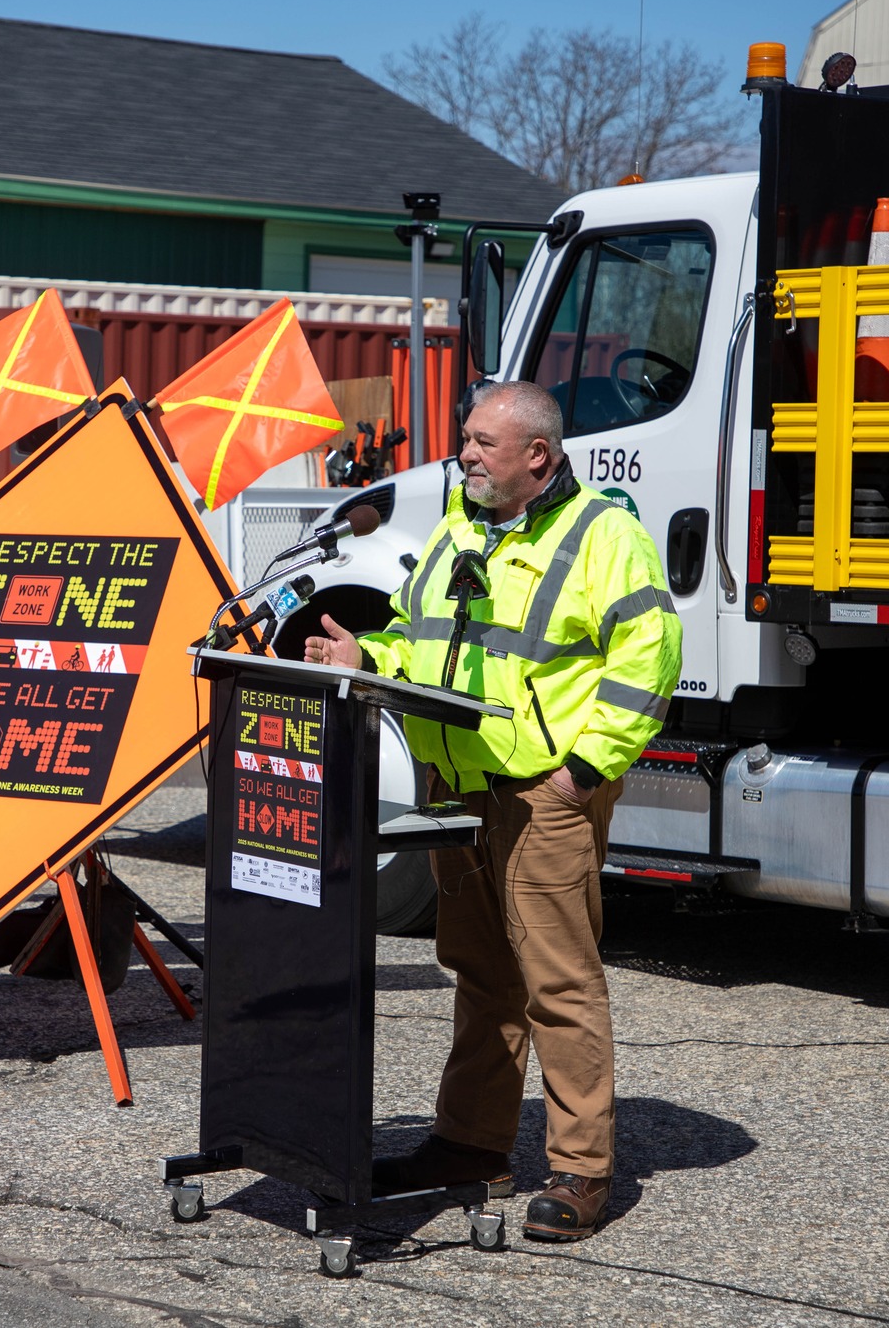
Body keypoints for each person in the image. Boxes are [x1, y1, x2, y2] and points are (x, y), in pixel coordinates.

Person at [304, 380, 681, 1242]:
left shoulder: (604, 537)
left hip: (542, 792)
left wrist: (580, 773)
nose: (465, 455)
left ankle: (582, 1171)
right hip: (461, 789)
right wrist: (368, 652)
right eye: (467, 440)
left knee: (558, 982)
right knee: (480, 974)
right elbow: (419, 637)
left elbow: (650, 661)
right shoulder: (461, 530)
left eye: (482, 443)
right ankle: (471, 1145)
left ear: (537, 457)